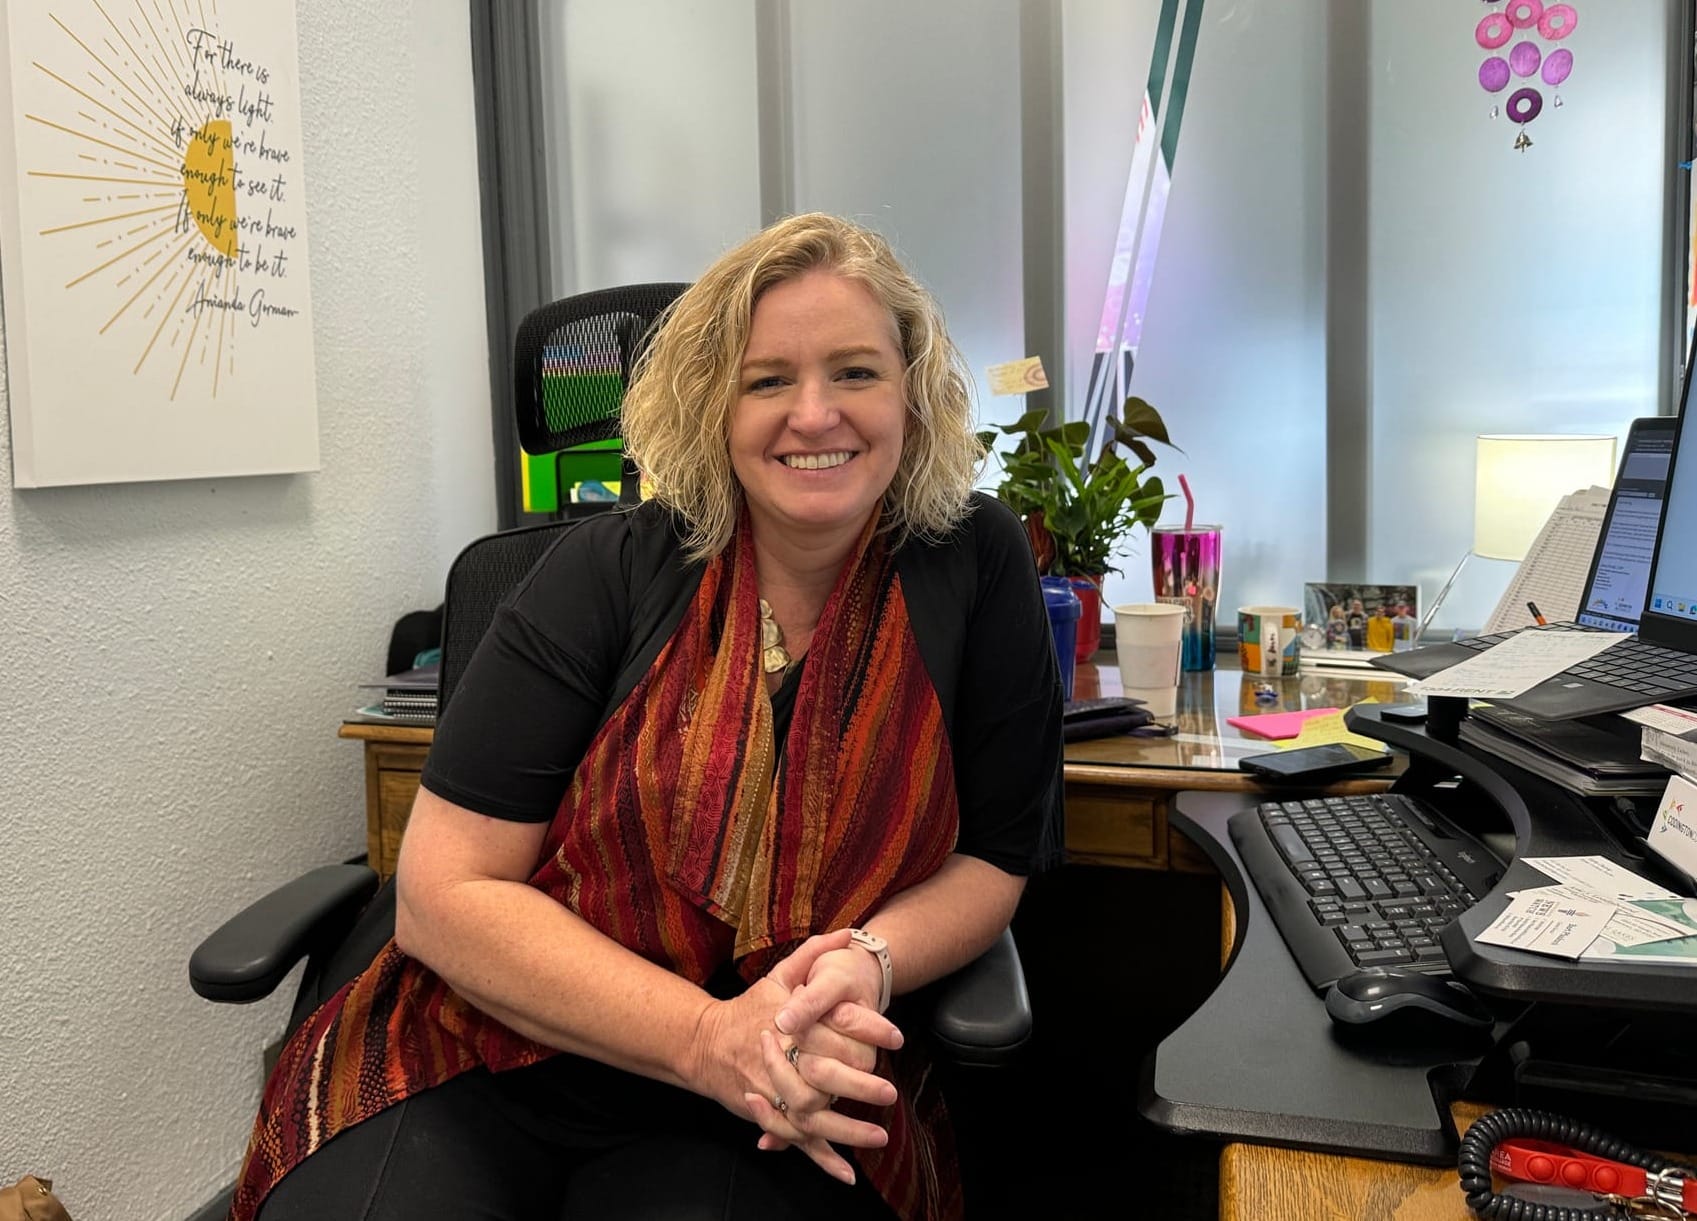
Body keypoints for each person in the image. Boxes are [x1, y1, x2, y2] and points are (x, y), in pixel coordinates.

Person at [233, 214, 1065, 1221]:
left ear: (912, 391)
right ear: (711, 405)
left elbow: (993, 860)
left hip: (785, 1070)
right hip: (496, 1043)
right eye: (766, 381)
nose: (814, 414)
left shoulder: (971, 560)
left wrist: (864, 965)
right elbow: (444, 892)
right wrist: (709, 1040)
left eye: (854, 372)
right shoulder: (608, 569)